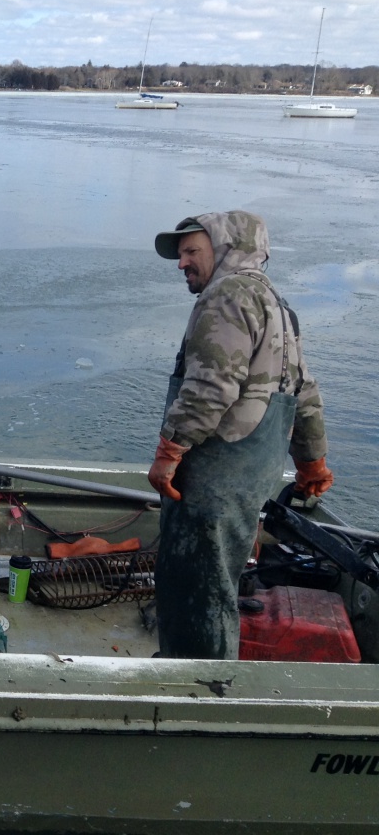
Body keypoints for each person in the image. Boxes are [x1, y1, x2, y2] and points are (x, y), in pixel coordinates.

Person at [148, 210, 333, 659]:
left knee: (198, 582)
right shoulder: (278, 306)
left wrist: (169, 450)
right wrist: (312, 462)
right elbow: (303, 391)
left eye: (192, 250)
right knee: (221, 577)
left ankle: (196, 684)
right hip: (254, 472)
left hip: (216, 475)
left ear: (226, 247)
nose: (182, 262)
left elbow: (210, 387)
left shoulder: (226, 296)